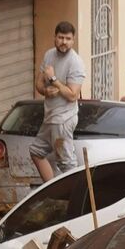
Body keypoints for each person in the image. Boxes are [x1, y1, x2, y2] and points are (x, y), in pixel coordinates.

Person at [31, 21, 85, 182]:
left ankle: (74, 200)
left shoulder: (75, 62)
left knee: (67, 164)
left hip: (63, 120)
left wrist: (54, 80)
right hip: (50, 117)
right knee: (36, 151)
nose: (64, 42)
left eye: (68, 38)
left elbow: (73, 95)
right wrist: (45, 90)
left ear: (73, 40)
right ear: (55, 37)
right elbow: (39, 83)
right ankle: (53, 192)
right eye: (61, 37)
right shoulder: (49, 55)